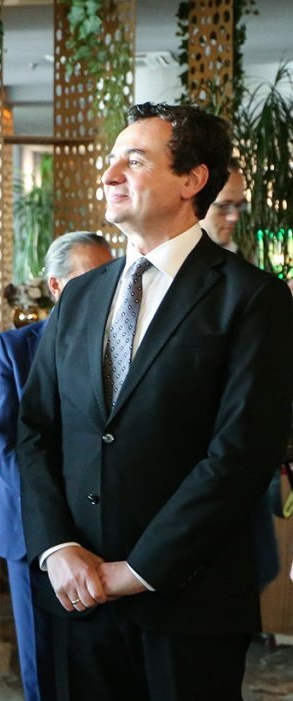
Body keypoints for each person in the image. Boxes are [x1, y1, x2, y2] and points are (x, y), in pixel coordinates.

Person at [17, 103, 293, 701]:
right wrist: (57, 549)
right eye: (111, 159)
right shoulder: (79, 297)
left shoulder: (252, 300)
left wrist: (138, 569)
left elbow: (240, 454)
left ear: (192, 179)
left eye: (135, 160)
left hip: (188, 603)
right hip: (77, 599)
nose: (109, 174)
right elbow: (35, 430)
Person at [0, 231, 112, 701]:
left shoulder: (119, 343)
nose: (105, 286)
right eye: (91, 276)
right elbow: (0, 439)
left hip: (102, 526)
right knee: (42, 659)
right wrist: (50, 502)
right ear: (56, 286)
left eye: (110, 275)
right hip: (29, 526)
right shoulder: (16, 348)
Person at [199, 161, 282, 592]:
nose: (234, 217)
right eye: (224, 206)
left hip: (238, 477)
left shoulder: (254, 285)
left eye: (240, 207)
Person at [200, 157, 247, 254]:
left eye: (239, 205)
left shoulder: (236, 256)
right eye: (224, 206)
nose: (234, 217)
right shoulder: (173, 258)